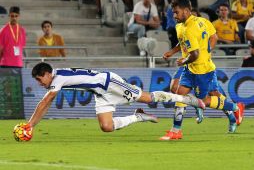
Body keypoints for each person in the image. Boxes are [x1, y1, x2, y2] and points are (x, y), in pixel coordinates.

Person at [24, 62, 206, 135]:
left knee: (148, 98)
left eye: (40, 79)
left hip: (110, 83)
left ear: (48, 74)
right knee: (106, 127)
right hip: (100, 93)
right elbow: (46, 102)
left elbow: (45, 102)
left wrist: (29, 125)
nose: (41, 83)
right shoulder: (57, 76)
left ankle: (187, 99)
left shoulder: (58, 78)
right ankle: (138, 116)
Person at [160, 0, 245, 140]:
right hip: (191, 67)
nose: (174, 16)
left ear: (186, 11)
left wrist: (185, 60)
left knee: (203, 101)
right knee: (179, 94)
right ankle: (176, 130)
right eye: (173, 13)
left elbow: (195, 53)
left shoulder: (190, 28)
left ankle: (235, 108)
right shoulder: (193, 23)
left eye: (176, 12)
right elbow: (187, 42)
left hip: (201, 69)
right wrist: (172, 52)